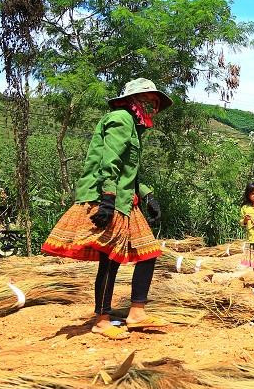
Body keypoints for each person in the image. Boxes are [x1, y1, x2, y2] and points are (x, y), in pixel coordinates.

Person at [41, 78, 171, 339]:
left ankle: (136, 313)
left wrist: (147, 195)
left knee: (148, 252)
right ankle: (101, 320)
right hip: (106, 197)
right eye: (150, 101)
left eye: (156, 103)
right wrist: (108, 199)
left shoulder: (134, 127)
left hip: (124, 198)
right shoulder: (121, 119)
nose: (153, 107)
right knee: (110, 260)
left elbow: (128, 171)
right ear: (134, 101)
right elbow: (108, 163)